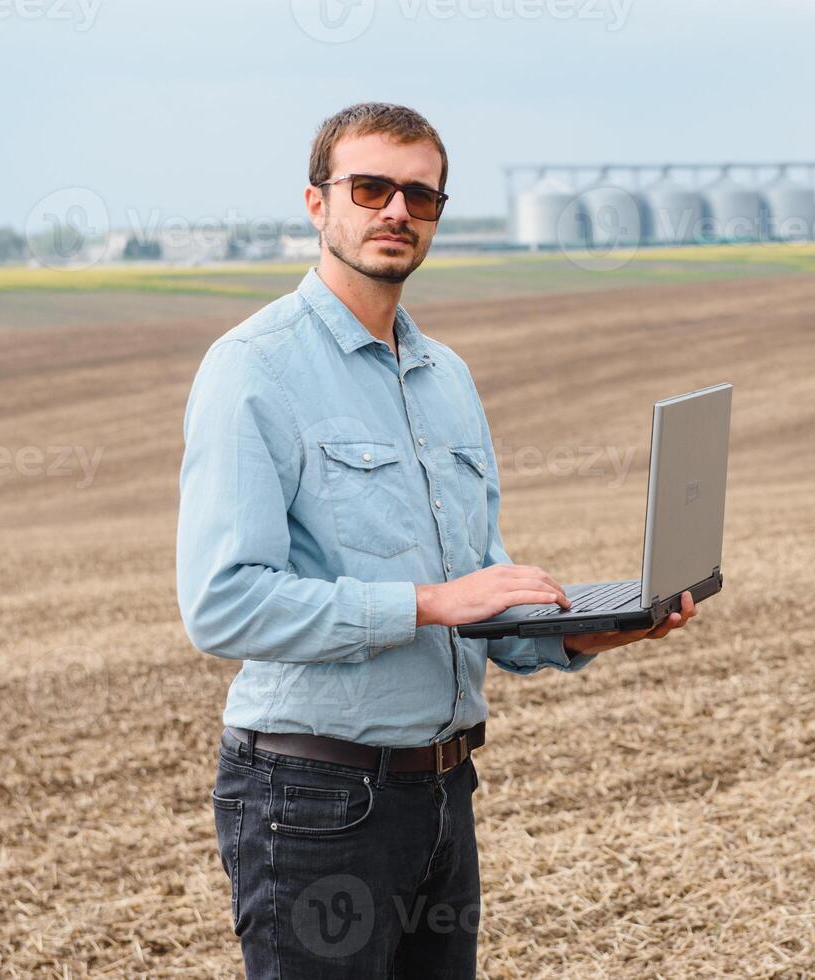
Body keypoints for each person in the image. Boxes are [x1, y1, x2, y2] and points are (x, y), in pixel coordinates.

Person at [175, 101, 697, 978]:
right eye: (371, 187)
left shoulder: (445, 377)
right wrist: (424, 603)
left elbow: (474, 590)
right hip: (314, 799)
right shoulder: (252, 370)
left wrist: (574, 635)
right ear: (317, 204)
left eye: (421, 195)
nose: (396, 212)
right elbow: (223, 604)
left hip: (445, 791)